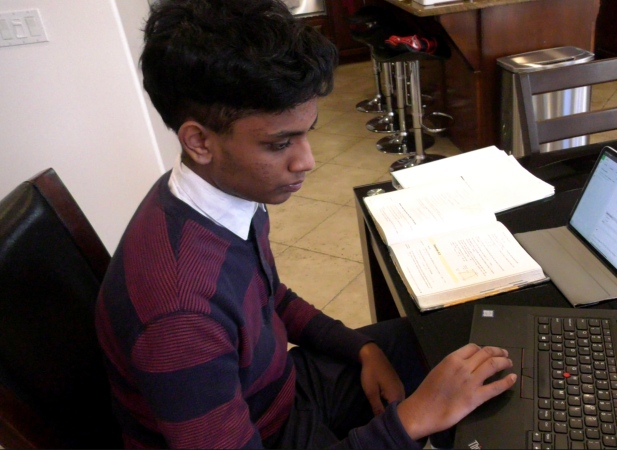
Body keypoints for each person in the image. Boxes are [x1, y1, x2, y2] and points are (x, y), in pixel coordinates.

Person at [94, 0, 516, 448]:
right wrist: (411, 420)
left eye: (307, 132)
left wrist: (360, 348)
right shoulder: (179, 313)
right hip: (264, 431)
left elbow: (269, 296)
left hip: (280, 393)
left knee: (460, 342)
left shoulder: (220, 198)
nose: (306, 161)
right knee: (452, 396)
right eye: (279, 144)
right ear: (199, 141)